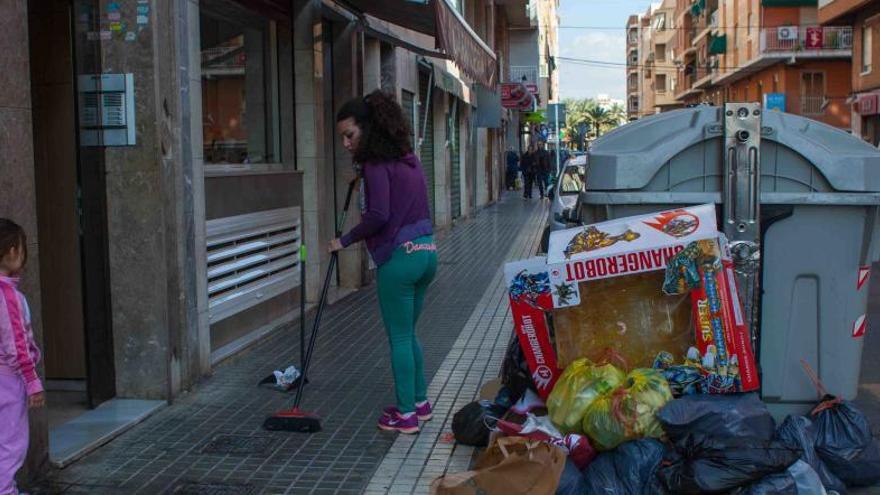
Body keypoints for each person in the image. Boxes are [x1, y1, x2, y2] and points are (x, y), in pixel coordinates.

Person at [329, 90, 437, 435]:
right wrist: (361, 176)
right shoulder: (409, 159)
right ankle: (420, 404)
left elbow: (378, 215)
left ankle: (405, 415)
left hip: (400, 260)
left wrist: (343, 241)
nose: (346, 143)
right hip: (426, 254)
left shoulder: (376, 165)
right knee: (409, 334)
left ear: (369, 129)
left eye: (350, 135)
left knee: (400, 338)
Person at [0, 219, 44, 495]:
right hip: (8, 381)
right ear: (13, 251)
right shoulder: (8, 296)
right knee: (12, 442)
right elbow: (17, 344)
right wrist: (32, 381)